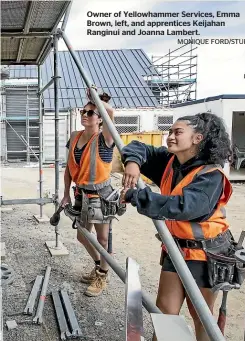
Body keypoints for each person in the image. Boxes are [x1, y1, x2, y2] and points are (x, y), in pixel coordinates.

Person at [120, 113, 234, 341]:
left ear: (197, 138)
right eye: (170, 132)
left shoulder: (211, 176)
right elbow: (138, 146)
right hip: (176, 250)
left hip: (205, 254)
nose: (170, 137)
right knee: (166, 311)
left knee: (200, 315)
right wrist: (133, 163)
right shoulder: (171, 161)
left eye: (177, 132)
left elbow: (184, 207)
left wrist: (137, 196)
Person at [61, 93, 115, 297]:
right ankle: (98, 266)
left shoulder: (105, 139)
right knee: (82, 236)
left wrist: (94, 95)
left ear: (100, 118)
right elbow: (69, 167)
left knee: (102, 240)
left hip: (101, 195)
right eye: (83, 111)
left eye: (90, 112)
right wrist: (65, 193)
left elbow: (110, 112)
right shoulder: (75, 136)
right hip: (81, 194)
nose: (85, 115)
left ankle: (103, 275)